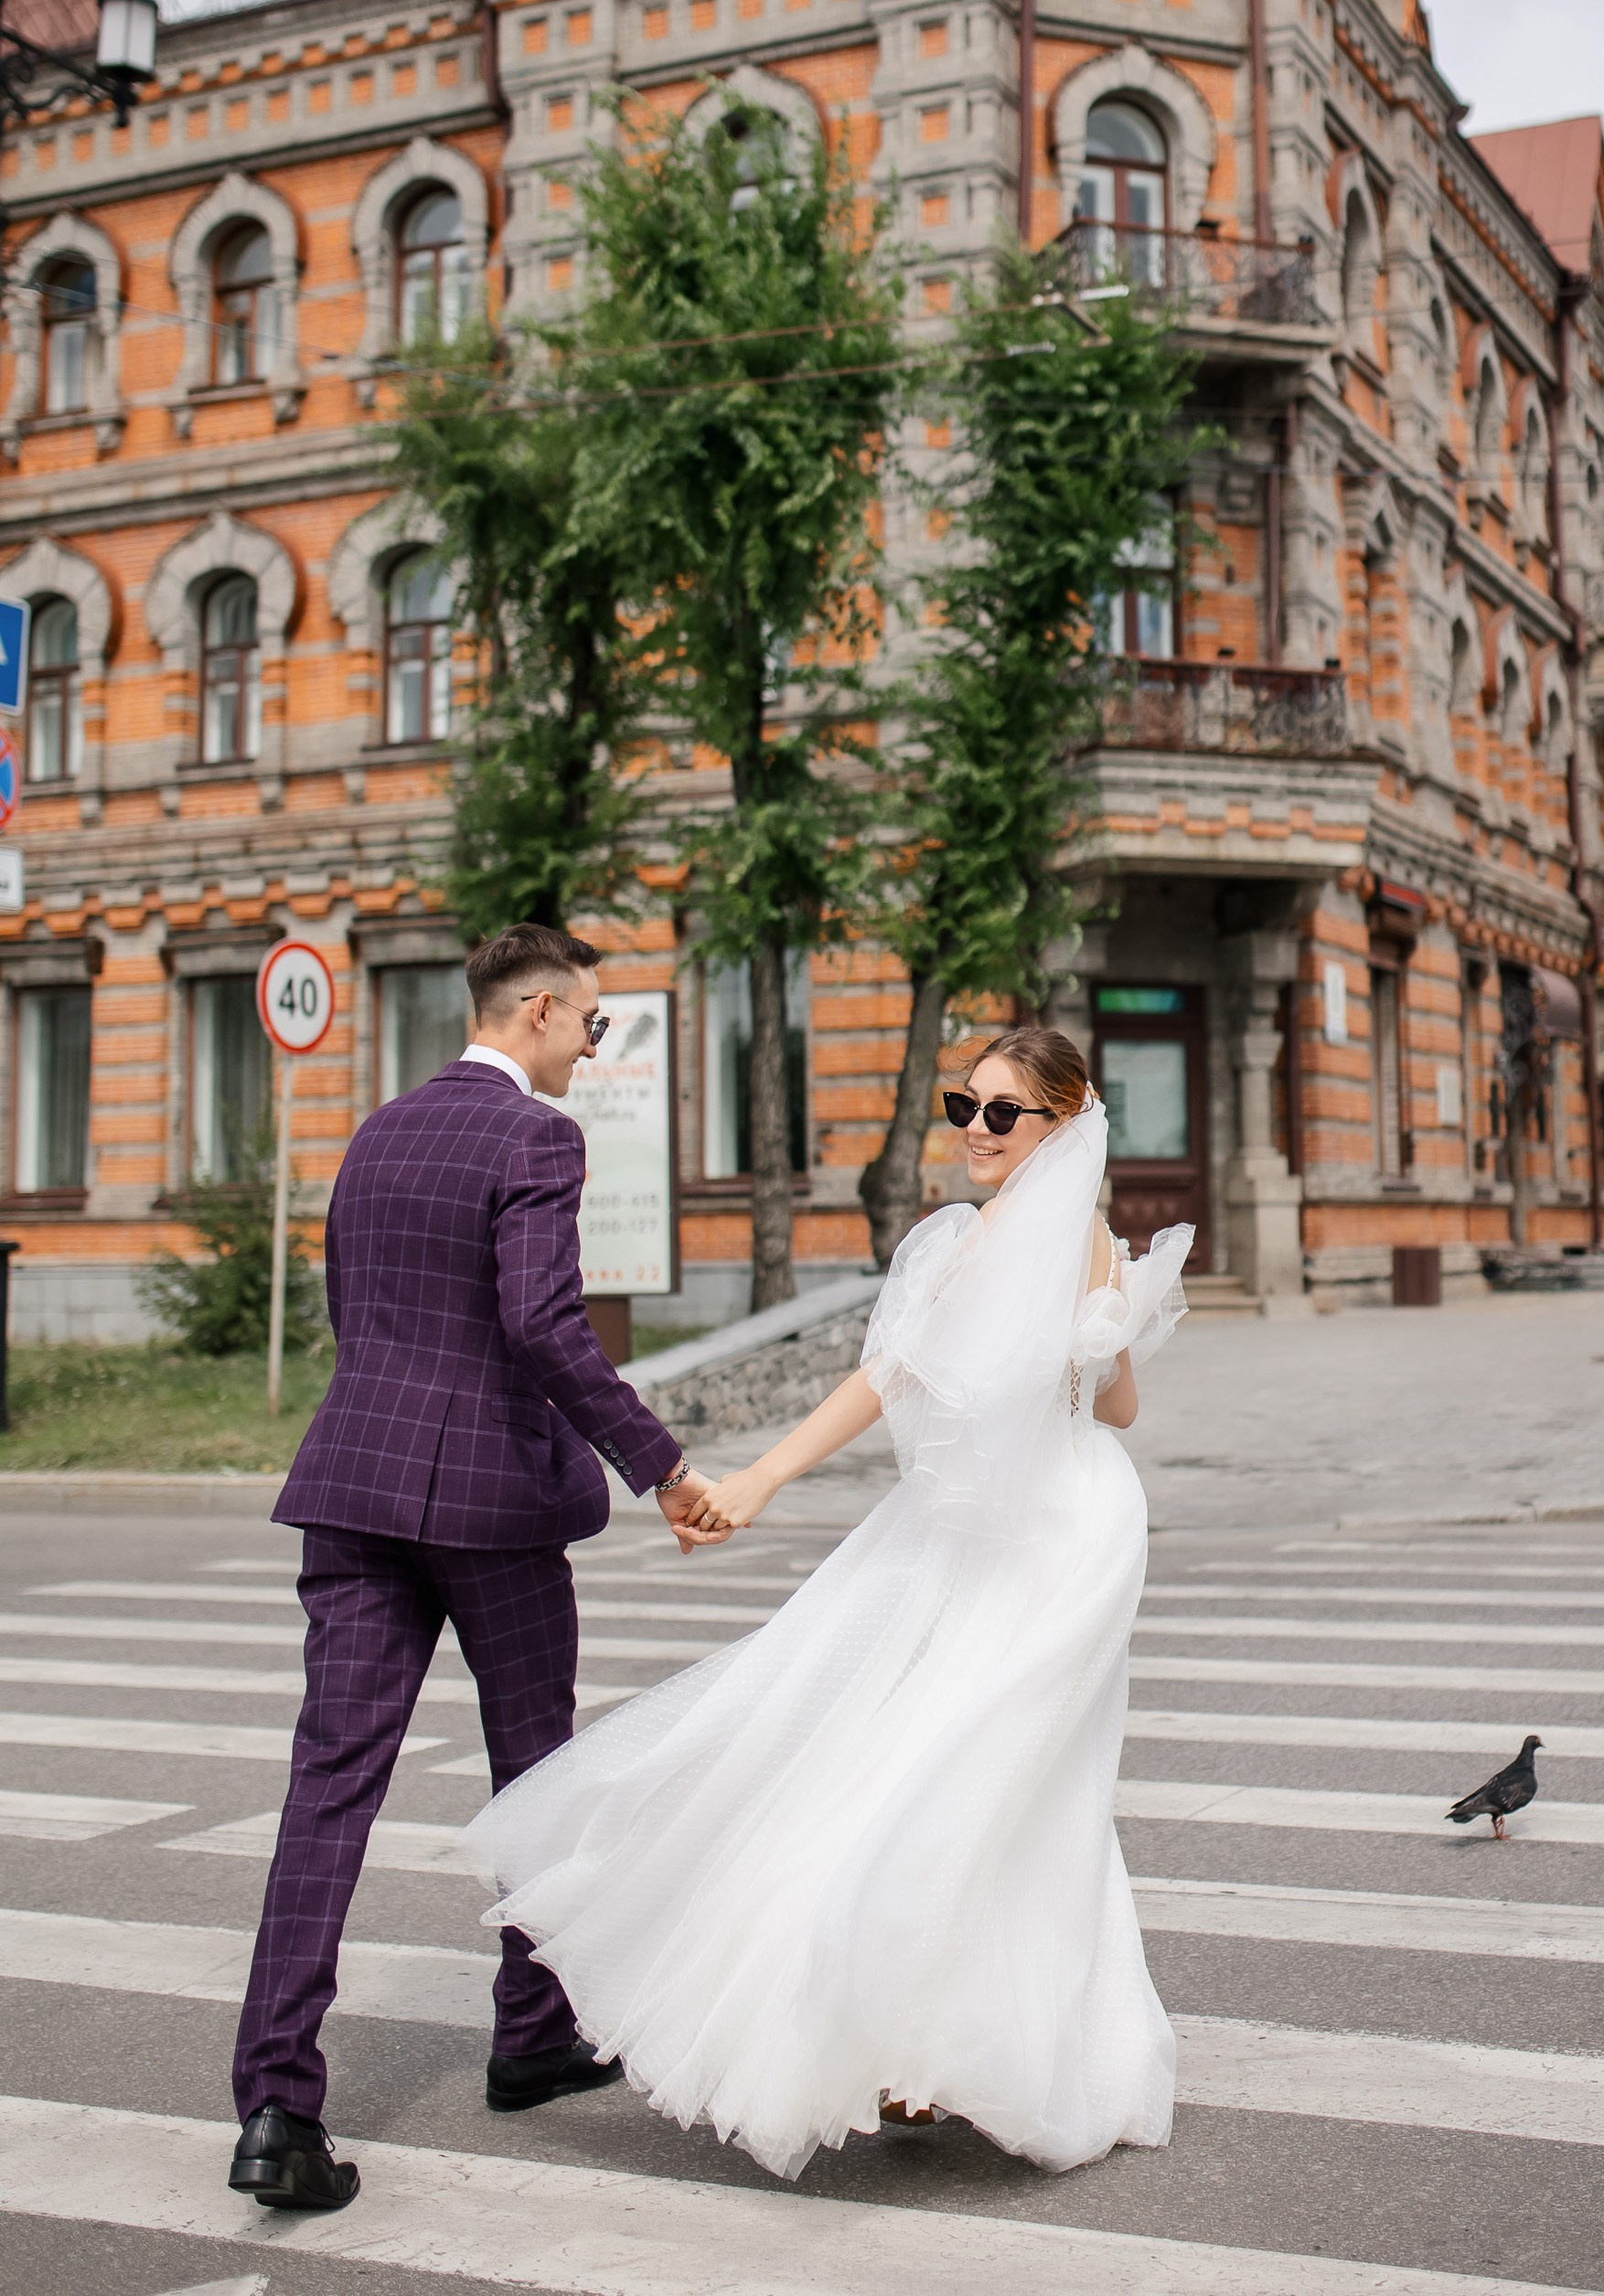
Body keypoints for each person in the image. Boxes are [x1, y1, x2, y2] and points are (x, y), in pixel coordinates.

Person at [465, 1027, 1193, 2182]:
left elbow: (1117, 1415)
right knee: (925, 1760)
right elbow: (881, 1378)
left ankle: (950, 2045)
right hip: (962, 1536)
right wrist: (756, 1478)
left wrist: (1102, 1345)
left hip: (1074, 1536)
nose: (973, 1131)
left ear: (1062, 1125)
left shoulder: (1094, 1244)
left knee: (1016, 1775)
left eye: (1002, 1114)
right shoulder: (953, 1246)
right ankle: (915, 2040)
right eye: (964, 1106)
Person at [228, 922, 728, 2216]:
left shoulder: (379, 1128)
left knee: (328, 1789)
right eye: (595, 1025)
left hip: (353, 1481)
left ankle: (277, 2105)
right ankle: (527, 2036)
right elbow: (540, 1323)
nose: (593, 1048)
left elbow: (362, 1311)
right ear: (545, 1012)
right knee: (540, 1777)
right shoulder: (536, 1138)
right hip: (493, 1506)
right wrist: (661, 1465)